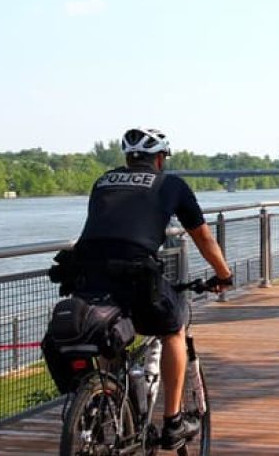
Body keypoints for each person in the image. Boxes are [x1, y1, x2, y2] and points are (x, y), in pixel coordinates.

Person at [71, 127, 233, 450]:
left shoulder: (103, 182)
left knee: (109, 330)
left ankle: (109, 402)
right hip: (136, 276)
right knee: (174, 328)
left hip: (87, 275)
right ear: (159, 159)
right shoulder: (170, 185)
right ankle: (172, 421)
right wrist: (223, 275)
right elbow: (203, 237)